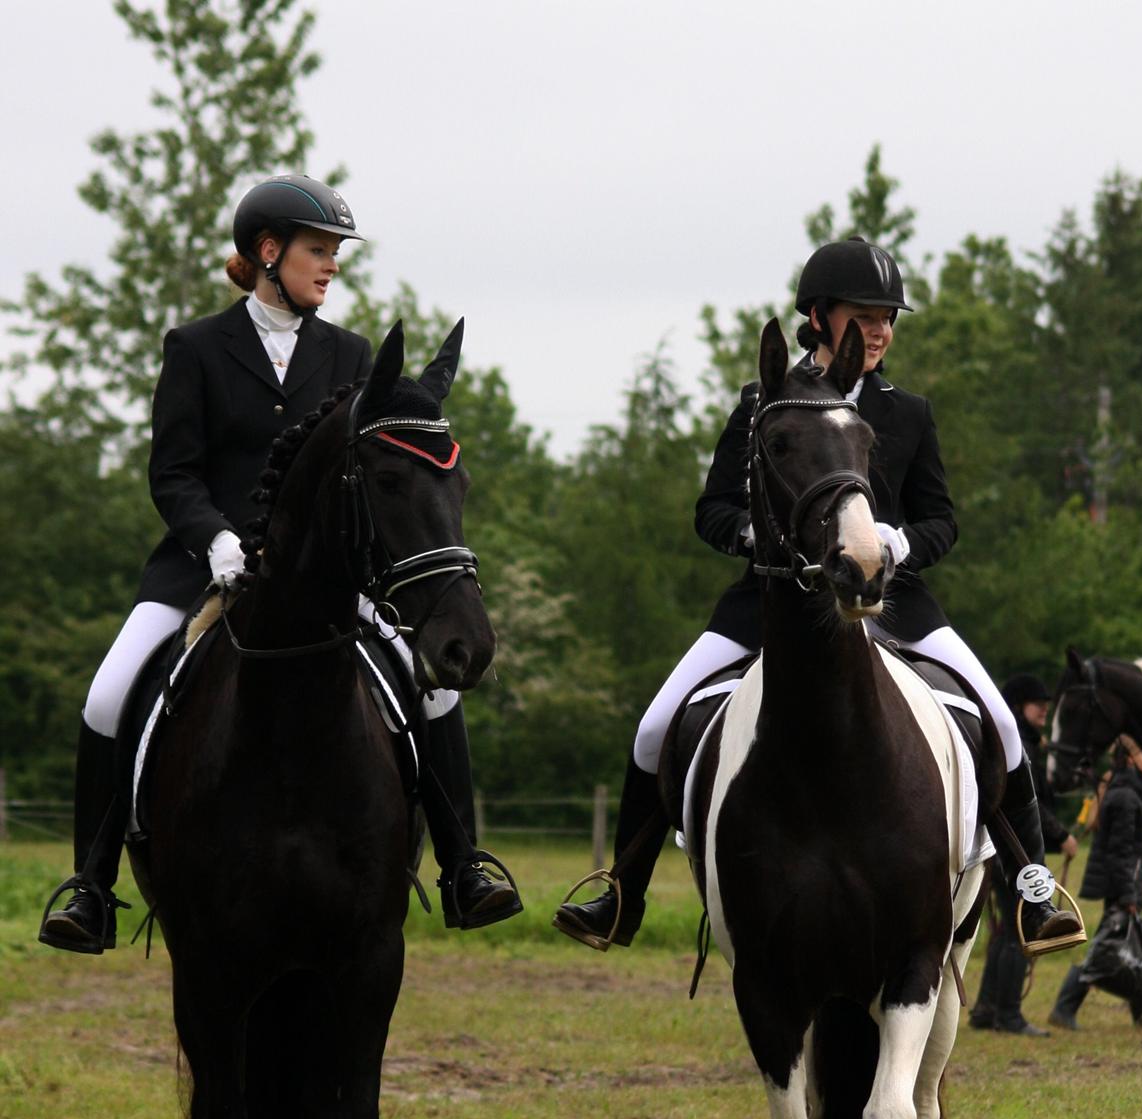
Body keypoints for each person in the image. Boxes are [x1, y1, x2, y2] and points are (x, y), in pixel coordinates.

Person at [554, 237, 1084, 958]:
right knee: (655, 726)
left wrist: (898, 545)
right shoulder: (762, 404)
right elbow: (711, 509)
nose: (880, 332)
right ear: (816, 316)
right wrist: (754, 536)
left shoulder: (909, 413)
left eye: (888, 319)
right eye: (864, 316)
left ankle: (1029, 885)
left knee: (1000, 719)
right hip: (771, 598)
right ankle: (624, 890)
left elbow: (942, 519)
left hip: (895, 602)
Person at [39, 174, 520, 955]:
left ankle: (465, 865)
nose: (330, 267)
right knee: (108, 693)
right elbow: (173, 473)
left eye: (334, 254)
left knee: (432, 699)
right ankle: (92, 885)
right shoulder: (196, 348)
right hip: (202, 569)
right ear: (269, 252)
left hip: (321, 577)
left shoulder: (350, 356)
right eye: (318, 251)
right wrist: (218, 540)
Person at [969, 674, 1079, 1035]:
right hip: (1014, 853)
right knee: (1019, 932)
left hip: (1004, 851)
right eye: (1037, 705)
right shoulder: (1019, 748)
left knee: (1005, 932)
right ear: (1017, 707)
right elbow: (1030, 808)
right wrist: (1061, 835)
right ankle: (1009, 1015)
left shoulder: (1026, 743)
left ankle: (986, 1009)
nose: (1044, 709)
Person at [1049, 738, 1142, 1031]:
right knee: (1107, 951)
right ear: (1131, 760)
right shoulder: (1125, 797)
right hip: (1120, 888)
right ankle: (1064, 1008)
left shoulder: (1123, 792)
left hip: (1121, 886)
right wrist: (1128, 894)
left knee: (1131, 944)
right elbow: (1120, 852)